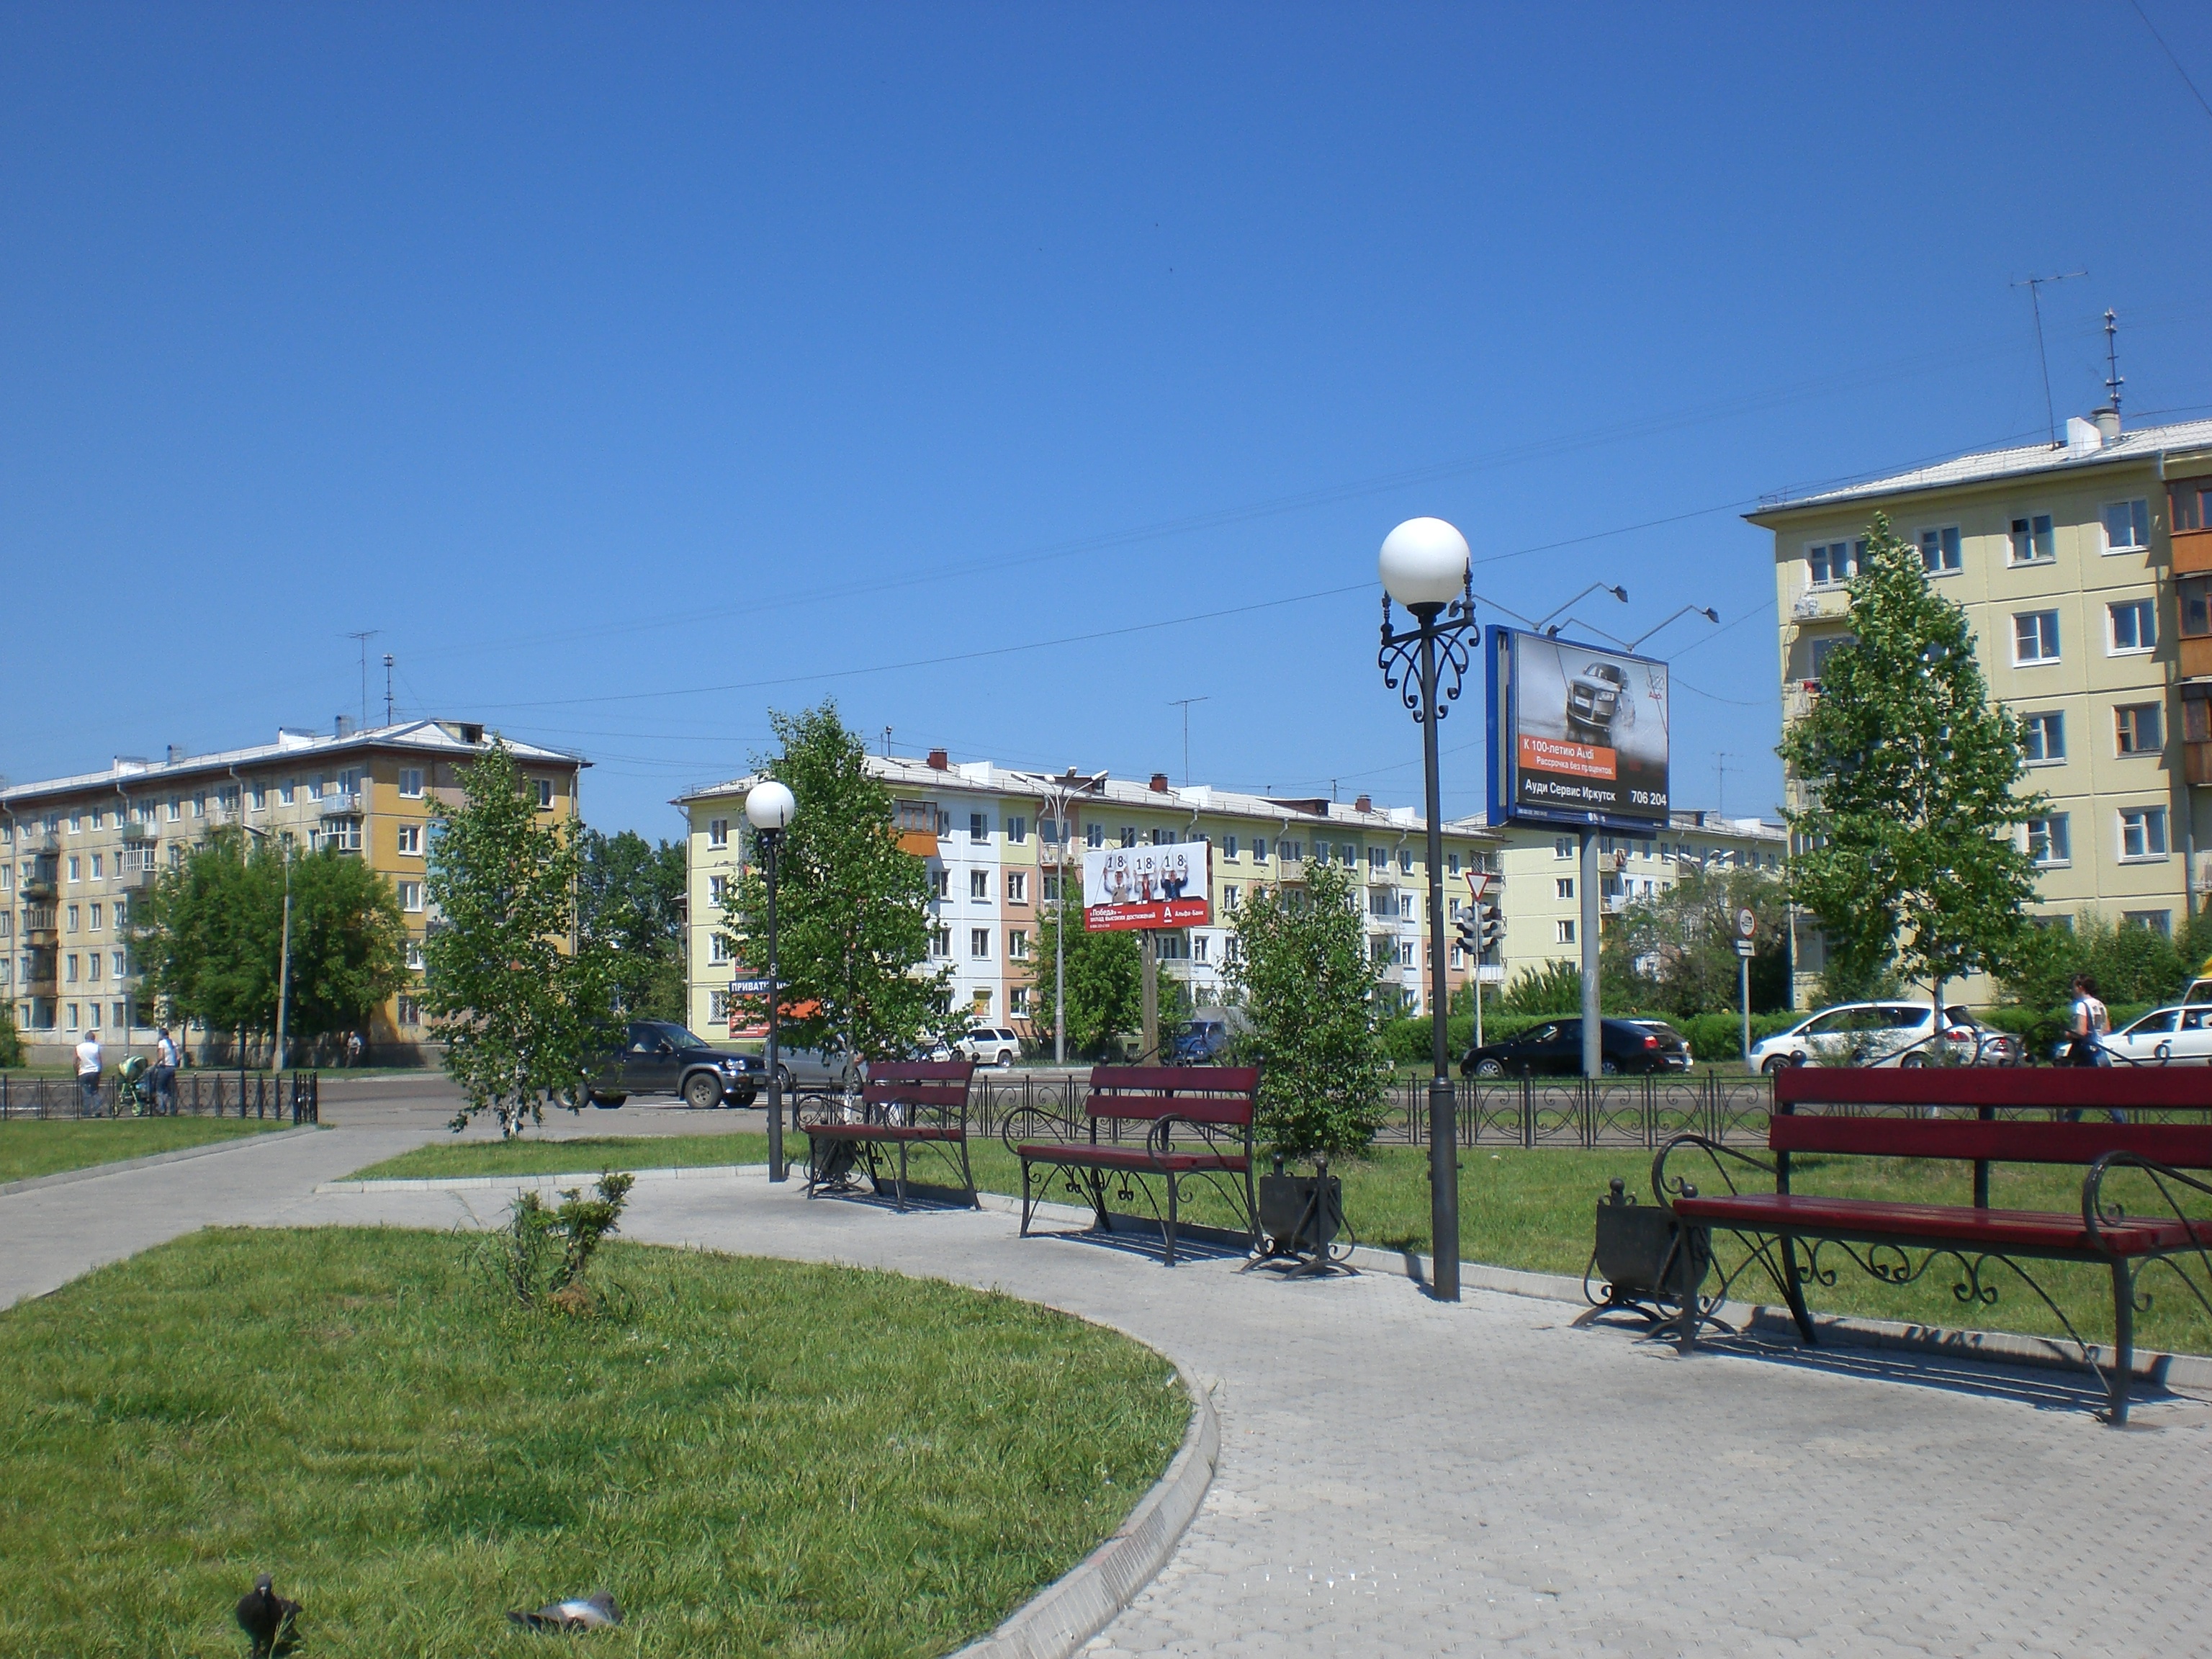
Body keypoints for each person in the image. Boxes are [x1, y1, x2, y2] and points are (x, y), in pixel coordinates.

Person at [151, 1026, 180, 1115]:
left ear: (161, 1035)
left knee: (160, 1088)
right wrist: (175, 1064)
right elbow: (179, 1057)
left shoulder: (162, 1043)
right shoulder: (173, 1043)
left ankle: (162, 1109)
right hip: (172, 1068)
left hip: (164, 1068)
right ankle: (173, 1109)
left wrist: (155, 1064)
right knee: (170, 1089)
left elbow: (161, 1056)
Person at [75, 1028, 104, 1114]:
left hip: (83, 1072)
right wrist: (100, 1071)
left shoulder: (79, 1047)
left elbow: (75, 1061)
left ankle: (87, 1111)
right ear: (93, 1039)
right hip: (95, 1071)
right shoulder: (96, 1047)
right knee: (95, 1091)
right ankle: (97, 1109)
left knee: (85, 1092)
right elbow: (99, 1060)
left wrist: (77, 1072)